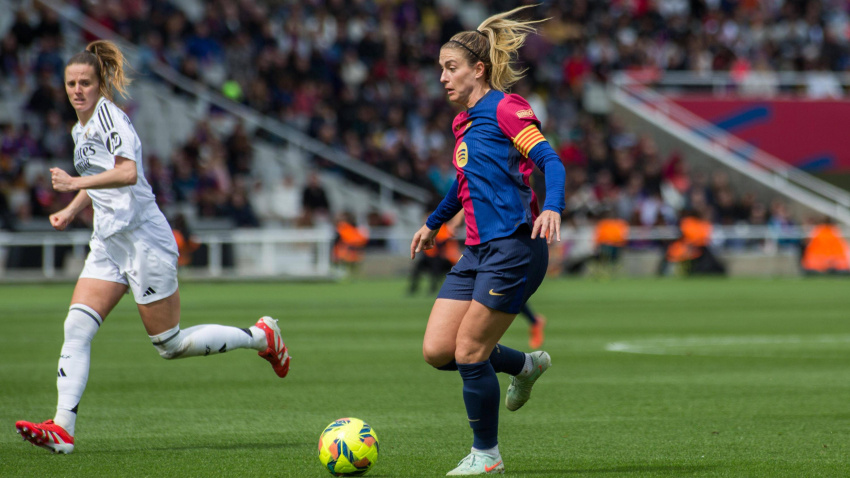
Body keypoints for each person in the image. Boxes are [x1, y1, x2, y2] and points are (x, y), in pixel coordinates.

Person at [14, 40, 290, 455]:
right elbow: (99, 176)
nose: (77, 90)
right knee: (76, 327)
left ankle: (260, 336)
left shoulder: (111, 119)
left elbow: (126, 173)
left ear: (99, 83)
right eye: (71, 83)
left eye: (85, 82)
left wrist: (74, 184)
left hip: (144, 239)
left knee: (170, 345)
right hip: (108, 241)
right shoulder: (79, 128)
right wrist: (72, 208)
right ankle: (63, 428)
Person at [410, 7, 566, 475]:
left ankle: (487, 456)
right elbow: (464, 184)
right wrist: (435, 223)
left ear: (478, 69)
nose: (442, 77)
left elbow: (550, 161)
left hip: (515, 248)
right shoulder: (463, 124)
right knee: (439, 352)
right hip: (478, 251)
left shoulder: (506, 108)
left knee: (471, 353)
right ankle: (524, 365)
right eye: (440, 68)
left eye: (450, 67)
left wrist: (554, 206)